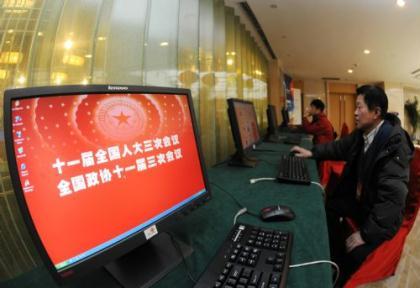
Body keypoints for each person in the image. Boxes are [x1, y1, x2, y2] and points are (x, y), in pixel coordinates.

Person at [291, 85, 414, 286]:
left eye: (359, 107)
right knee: (329, 208)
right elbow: (339, 147)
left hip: (380, 214)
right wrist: (312, 152)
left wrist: (365, 234)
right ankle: (331, 256)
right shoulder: (363, 133)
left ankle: (338, 278)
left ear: (376, 112)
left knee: (356, 254)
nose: (355, 113)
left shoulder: (394, 143)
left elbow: (392, 198)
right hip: (363, 200)